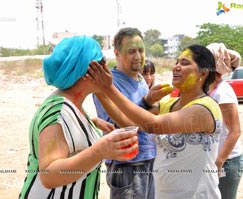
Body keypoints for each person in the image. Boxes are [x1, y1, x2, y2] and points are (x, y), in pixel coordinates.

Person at [89, 44, 223, 199]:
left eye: (185, 63)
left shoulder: (205, 109)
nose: (176, 67)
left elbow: (154, 125)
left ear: (204, 73)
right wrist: (100, 91)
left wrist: (109, 88)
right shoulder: (169, 104)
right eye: (176, 62)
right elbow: (128, 122)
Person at [18, 35, 139, 199]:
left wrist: (92, 122)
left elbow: (69, 134)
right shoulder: (58, 112)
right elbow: (48, 174)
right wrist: (100, 150)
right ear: (88, 71)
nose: (108, 70)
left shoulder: (71, 104)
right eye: (103, 63)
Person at [92, 27, 156, 199]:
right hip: (127, 165)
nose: (138, 56)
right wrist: (149, 104)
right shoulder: (107, 83)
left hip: (148, 159)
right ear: (117, 53)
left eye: (141, 50)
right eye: (131, 51)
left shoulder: (141, 80)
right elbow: (120, 127)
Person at [207, 43, 243, 199]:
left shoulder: (223, 92)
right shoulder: (210, 89)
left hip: (227, 161)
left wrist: (219, 162)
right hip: (215, 159)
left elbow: (235, 131)